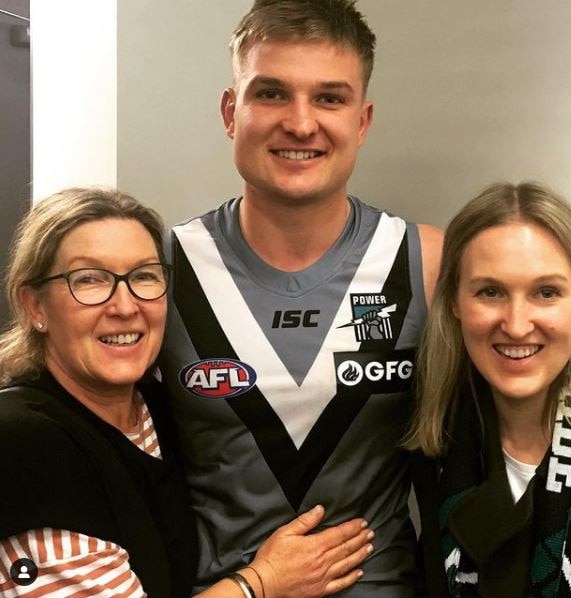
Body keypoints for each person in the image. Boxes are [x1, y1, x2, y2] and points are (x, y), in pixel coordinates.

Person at [159, 1, 443, 595]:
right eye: (271, 94)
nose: (301, 122)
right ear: (230, 112)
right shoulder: (162, 269)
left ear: (362, 122)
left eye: (329, 98)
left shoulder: (428, 262)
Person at [0, 187, 374, 598]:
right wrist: (264, 583)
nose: (125, 306)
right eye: (89, 280)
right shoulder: (25, 442)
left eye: (144, 276)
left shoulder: (155, 409)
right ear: (34, 306)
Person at [406, 182, 571, 597]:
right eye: (490, 292)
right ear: (455, 302)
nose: (515, 324)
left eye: (546, 293)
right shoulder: (436, 450)